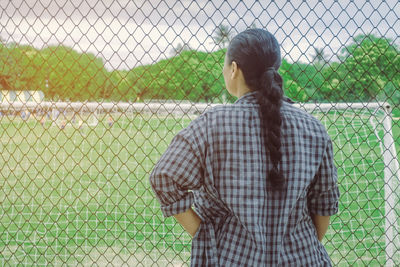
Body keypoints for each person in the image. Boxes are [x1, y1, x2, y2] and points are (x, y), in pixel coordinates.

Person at [149, 28, 340, 266]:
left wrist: (202, 232)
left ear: (234, 69)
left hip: (230, 258)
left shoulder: (210, 125)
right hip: (304, 258)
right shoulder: (314, 129)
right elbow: (323, 206)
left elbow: (164, 176)